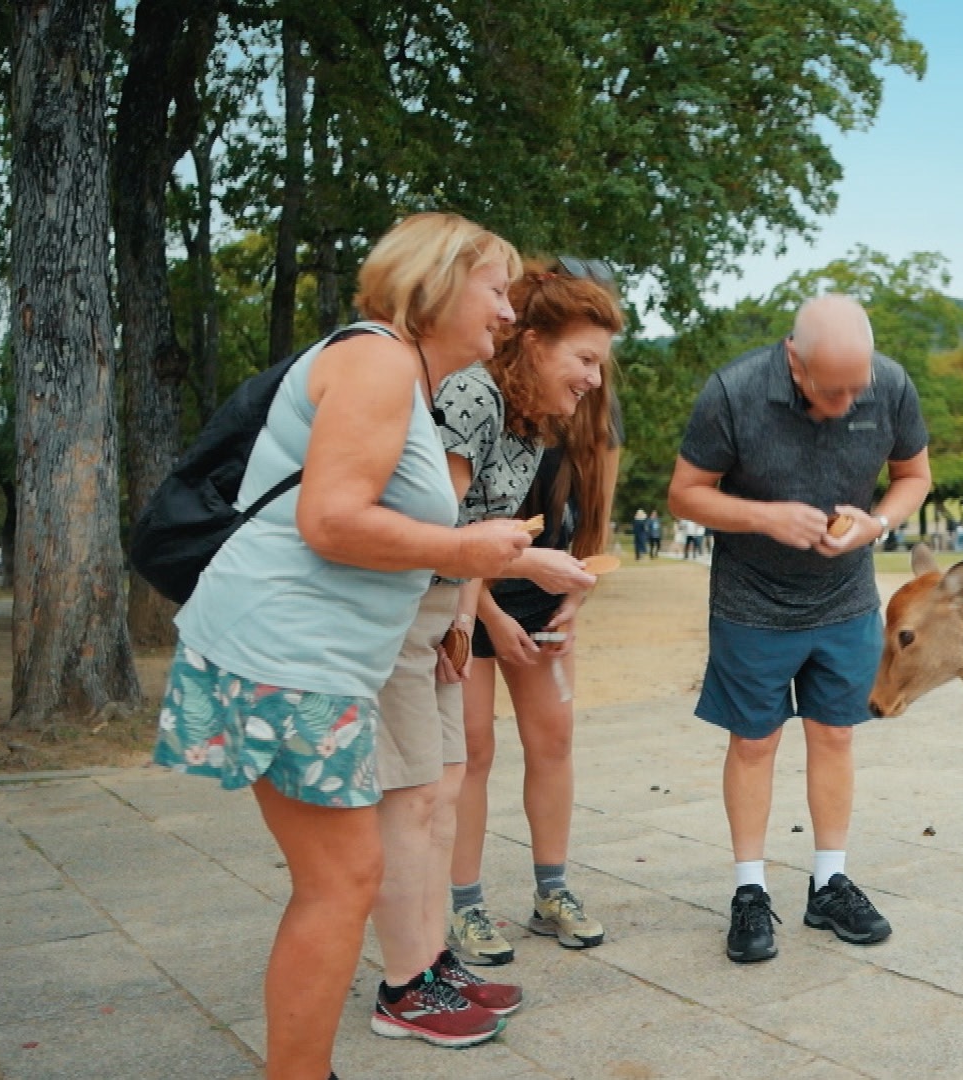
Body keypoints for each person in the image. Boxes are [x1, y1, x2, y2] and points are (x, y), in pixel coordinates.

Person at [152, 213, 549, 1078]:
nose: (508, 315)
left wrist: (510, 557)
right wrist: (461, 551)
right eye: (495, 290)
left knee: (341, 878)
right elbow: (330, 521)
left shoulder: (399, 375)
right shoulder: (375, 360)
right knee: (341, 883)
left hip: (297, 658)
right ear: (439, 282)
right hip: (284, 656)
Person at [667, 293, 930, 964]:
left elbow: (914, 476)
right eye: (830, 389)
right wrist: (764, 517)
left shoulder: (890, 384)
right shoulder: (733, 391)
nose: (848, 404)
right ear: (793, 360)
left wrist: (878, 524)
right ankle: (750, 889)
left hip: (845, 598)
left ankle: (830, 881)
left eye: (856, 389)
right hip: (752, 600)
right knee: (755, 743)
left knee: (837, 734)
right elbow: (685, 493)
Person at [444, 261, 625, 977]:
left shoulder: (578, 413)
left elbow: (590, 533)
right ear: (535, 337)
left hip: (539, 585)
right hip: (474, 587)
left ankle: (552, 892)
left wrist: (576, 594)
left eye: (599, 363)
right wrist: (485, 609)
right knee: (472, 750)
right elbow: (458, 535)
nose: (592, 377)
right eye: (583, 358)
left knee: (553, 742)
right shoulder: (477, 399)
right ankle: (464, 901)